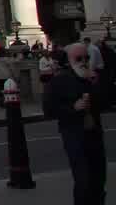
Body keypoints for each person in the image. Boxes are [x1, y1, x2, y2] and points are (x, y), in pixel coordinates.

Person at [45, 42, 106, 204]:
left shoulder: (91, 78)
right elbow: (49, 110)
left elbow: (105, 104)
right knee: (83, 179)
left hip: (94, 134)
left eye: (87, 57)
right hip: (74, 135)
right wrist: (73, 108)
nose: (84, 62)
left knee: (98, 179)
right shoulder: (60, 81)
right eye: (79, 58)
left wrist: (96, 85)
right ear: (69, 60)